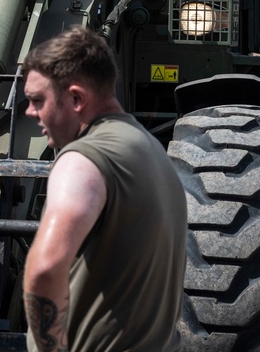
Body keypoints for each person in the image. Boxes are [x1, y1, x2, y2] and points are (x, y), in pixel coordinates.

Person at [21, 27, 186, 352]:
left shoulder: (83, 161)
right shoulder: (152, 151)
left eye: (38, 100)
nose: (29, 111)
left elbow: (44, 269)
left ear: (76, 98)